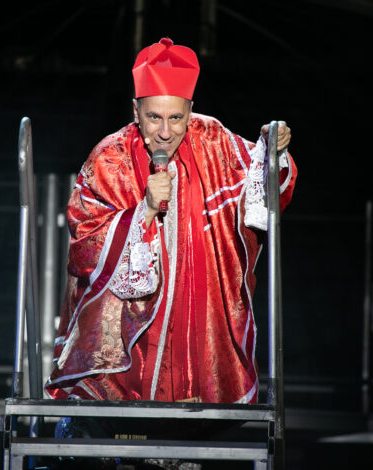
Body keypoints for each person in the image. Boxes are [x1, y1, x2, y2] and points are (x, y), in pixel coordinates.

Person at [45, 37, 296, 404]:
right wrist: (143, 212)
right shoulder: (109, 158)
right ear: (136, 111)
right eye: (154, 118)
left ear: (190, 111)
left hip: (197, 324)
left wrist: (272, 152)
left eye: (176, 118)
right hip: (130, 350)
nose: (165, 132)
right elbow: (85, 245)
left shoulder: (213, 139)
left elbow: (259, 187)